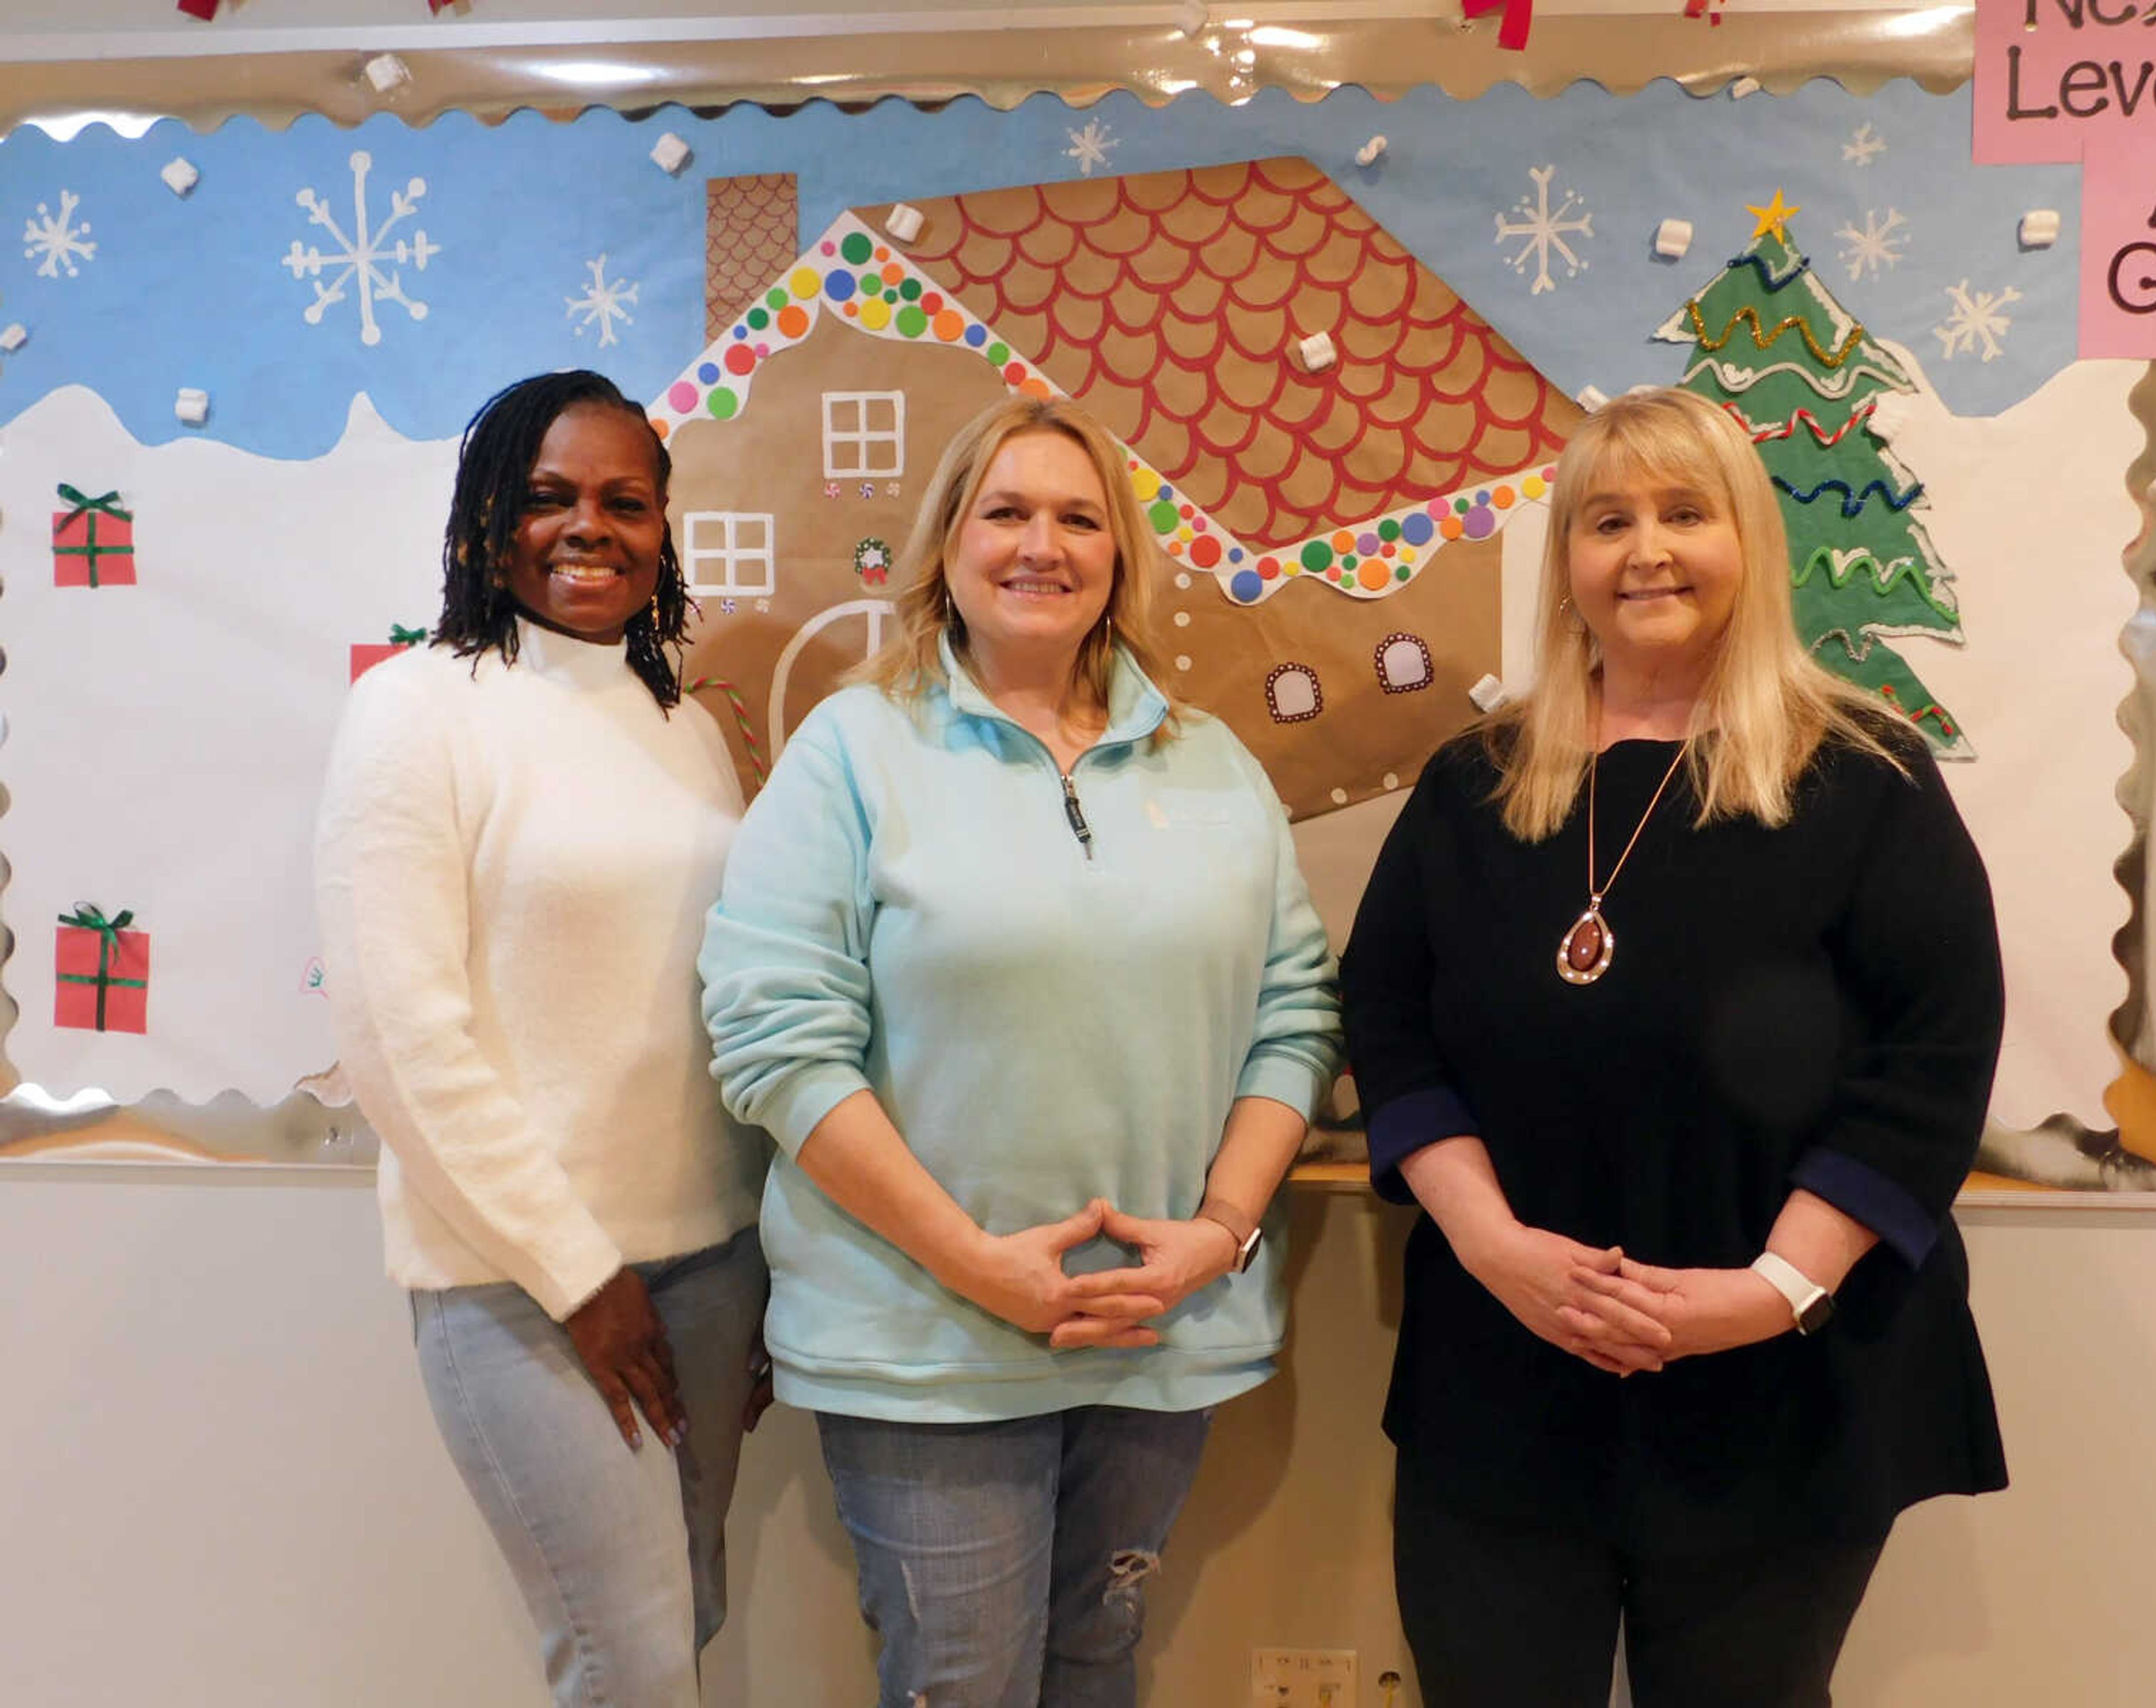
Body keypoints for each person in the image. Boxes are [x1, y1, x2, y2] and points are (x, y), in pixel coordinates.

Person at [1342, 386, 2007, 1708]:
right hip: (1508, 1371)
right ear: (1569, 564)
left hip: (1785, 1383)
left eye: (1684, 513)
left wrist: (1767, 1293)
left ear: (1748, 542)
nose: (1645, 549)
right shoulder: (1471, 787)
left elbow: (1933, 1066)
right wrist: (1492, 1249)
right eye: (1608, 520)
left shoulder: (1865, 774)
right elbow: (1390, 1025)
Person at [699, 395, 1340, 1708]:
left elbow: (1295, 1016)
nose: (1040, 544)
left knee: (1099, 1668)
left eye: (1077, 517)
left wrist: (1218, 1235)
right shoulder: (853, 752)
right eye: (1006, 511)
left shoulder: (1210, 763)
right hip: (926, 1339)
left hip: (1159, 1332)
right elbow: (777, 1039)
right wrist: (977, 1268)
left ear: (1119, 557)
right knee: (964, 1685)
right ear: (947, 543)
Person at [314, 370, 767, 1708]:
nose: (590, 528)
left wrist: (764, 1255)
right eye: (549, 497)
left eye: (626, 503)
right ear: (486, 521)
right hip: (522, 1284)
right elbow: (399, 1037)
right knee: (626, 1656)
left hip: (709, 1267)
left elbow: (719, 1003)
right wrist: (580, 1274)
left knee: (688, 1620)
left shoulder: (687, 727)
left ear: (664, 529)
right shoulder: (416, 708)